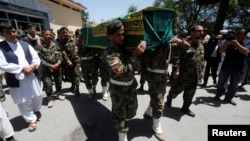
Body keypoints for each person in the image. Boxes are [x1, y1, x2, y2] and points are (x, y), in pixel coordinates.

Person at [101, 20, 146, 141]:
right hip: (118, 90)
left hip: (131, 87)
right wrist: (135, 55)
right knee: (120, 117)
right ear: (110, 36)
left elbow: (139, 67)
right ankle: (122, 137)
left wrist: (137, 54)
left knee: (131, 112)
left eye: (123, 34)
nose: (122, 37)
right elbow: (123, 72)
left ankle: (120, 119)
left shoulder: (126, 49)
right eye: (118, 35)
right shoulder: (109, 53)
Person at [0, 23, 43, 132]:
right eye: (8, 33)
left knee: (37, 95)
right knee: (23, 100)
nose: (12, 34)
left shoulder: (25, 44)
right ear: (2, 34)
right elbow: (2, 64)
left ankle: (36, 110)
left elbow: (36, 58)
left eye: (13, 31)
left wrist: (33, 66)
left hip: (32, 75)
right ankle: (31, 120)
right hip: (17, 78)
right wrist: (22, 69)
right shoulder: (1, 47)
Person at [166, 24, 205, 117]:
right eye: (199, 31)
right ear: (192, 32)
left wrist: (202, 71)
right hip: (183, 73)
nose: (202, 33)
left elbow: (201, 59)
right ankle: (170, 97)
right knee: (176, 89)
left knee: (190, 93)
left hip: (195, 74)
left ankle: (185, 107)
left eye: (202, 31)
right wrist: (176, 70)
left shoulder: (201, 44)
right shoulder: (183, 43)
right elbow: (176, 57)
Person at [214, 27, 250, 105]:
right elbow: (221, 51)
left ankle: (228, 98)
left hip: (238, 68)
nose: (238, 35)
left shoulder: (248, 42)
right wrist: (227, 42)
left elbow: (245, 52)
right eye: (238, 33)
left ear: (245, 35)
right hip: (226, 66)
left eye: (241, 33)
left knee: (234, 85)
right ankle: (218, 95)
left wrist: (235, 42)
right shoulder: (229, 40)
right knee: (221, 82)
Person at [38, 29, 65, 108]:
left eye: (49, 34)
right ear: (43, 36)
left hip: (57, 67)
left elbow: (60, 55)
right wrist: (50, 65)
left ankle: (58, 94)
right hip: (46, 69)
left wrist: (58, 63)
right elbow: (39, 59)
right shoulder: (40, 47)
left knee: (58, 81)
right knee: (48, 84)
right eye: (46, 34)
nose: (48, 36)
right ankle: (50, 98)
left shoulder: (55, 45)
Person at [77, 29, 99, 98]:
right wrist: (83, 45)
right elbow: (78, 53)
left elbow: (96, 50)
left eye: (82, 35)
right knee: (86, 78)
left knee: (94, 77)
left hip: (92, 61)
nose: (81, 36)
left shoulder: (90, 42)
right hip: (83, 63)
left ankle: (94, 87)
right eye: (79, 35)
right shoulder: (76, 43)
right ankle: (90, 92)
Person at [59, 27, 81, 96]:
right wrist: (68, 61)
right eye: (63, 33)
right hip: (68, 61)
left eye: (66, 32)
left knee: (76, 73)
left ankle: (77, 88)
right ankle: (72, 85)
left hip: (76, 60)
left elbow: (80, 47)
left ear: (68, 32)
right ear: (61, 34)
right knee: (70, 74)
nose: (65, 34)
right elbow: (63, 52)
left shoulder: (75, 40)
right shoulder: (62, 42)